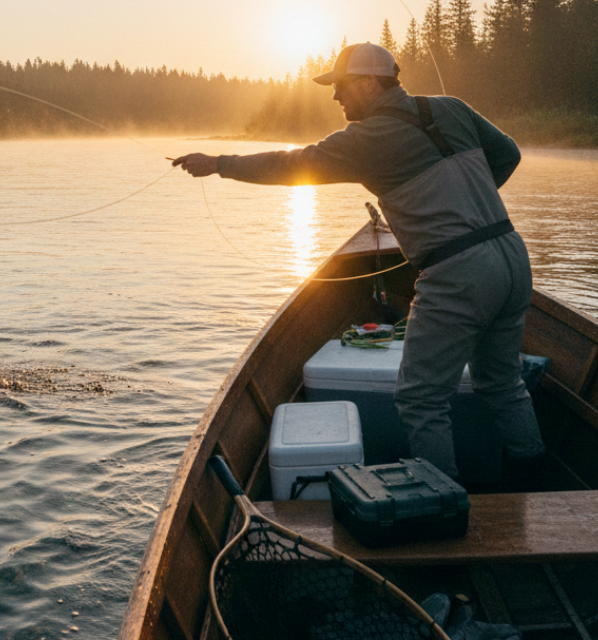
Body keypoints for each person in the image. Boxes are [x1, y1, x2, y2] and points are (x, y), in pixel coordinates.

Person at [172, 42, 547, 485]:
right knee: (502, 383)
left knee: (420, 399)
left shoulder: (367, 139)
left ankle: (446, 506)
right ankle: (535, 491)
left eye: (342, 85)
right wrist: (466, 205)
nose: (335, 96)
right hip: (511, 255)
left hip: (458, 272)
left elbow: (293, 164)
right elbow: (508, 154)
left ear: (370, 82)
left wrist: (219, 163)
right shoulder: (451, 107)